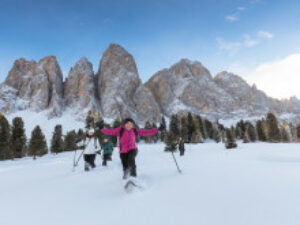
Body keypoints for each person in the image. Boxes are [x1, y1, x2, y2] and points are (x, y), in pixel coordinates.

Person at [98, 118, 164, 179]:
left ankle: (133, 176)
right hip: (122, 151)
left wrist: (157, 129)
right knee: (125, 165)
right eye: (128, 124)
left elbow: (145, 132)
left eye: (131, 124)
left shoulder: (134, 130)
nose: (129, 125)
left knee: (131, 160)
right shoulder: (120, 130)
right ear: (124, 124)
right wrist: (101, 128)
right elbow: (110, 132)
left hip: (132, 149)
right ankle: (126, 175)